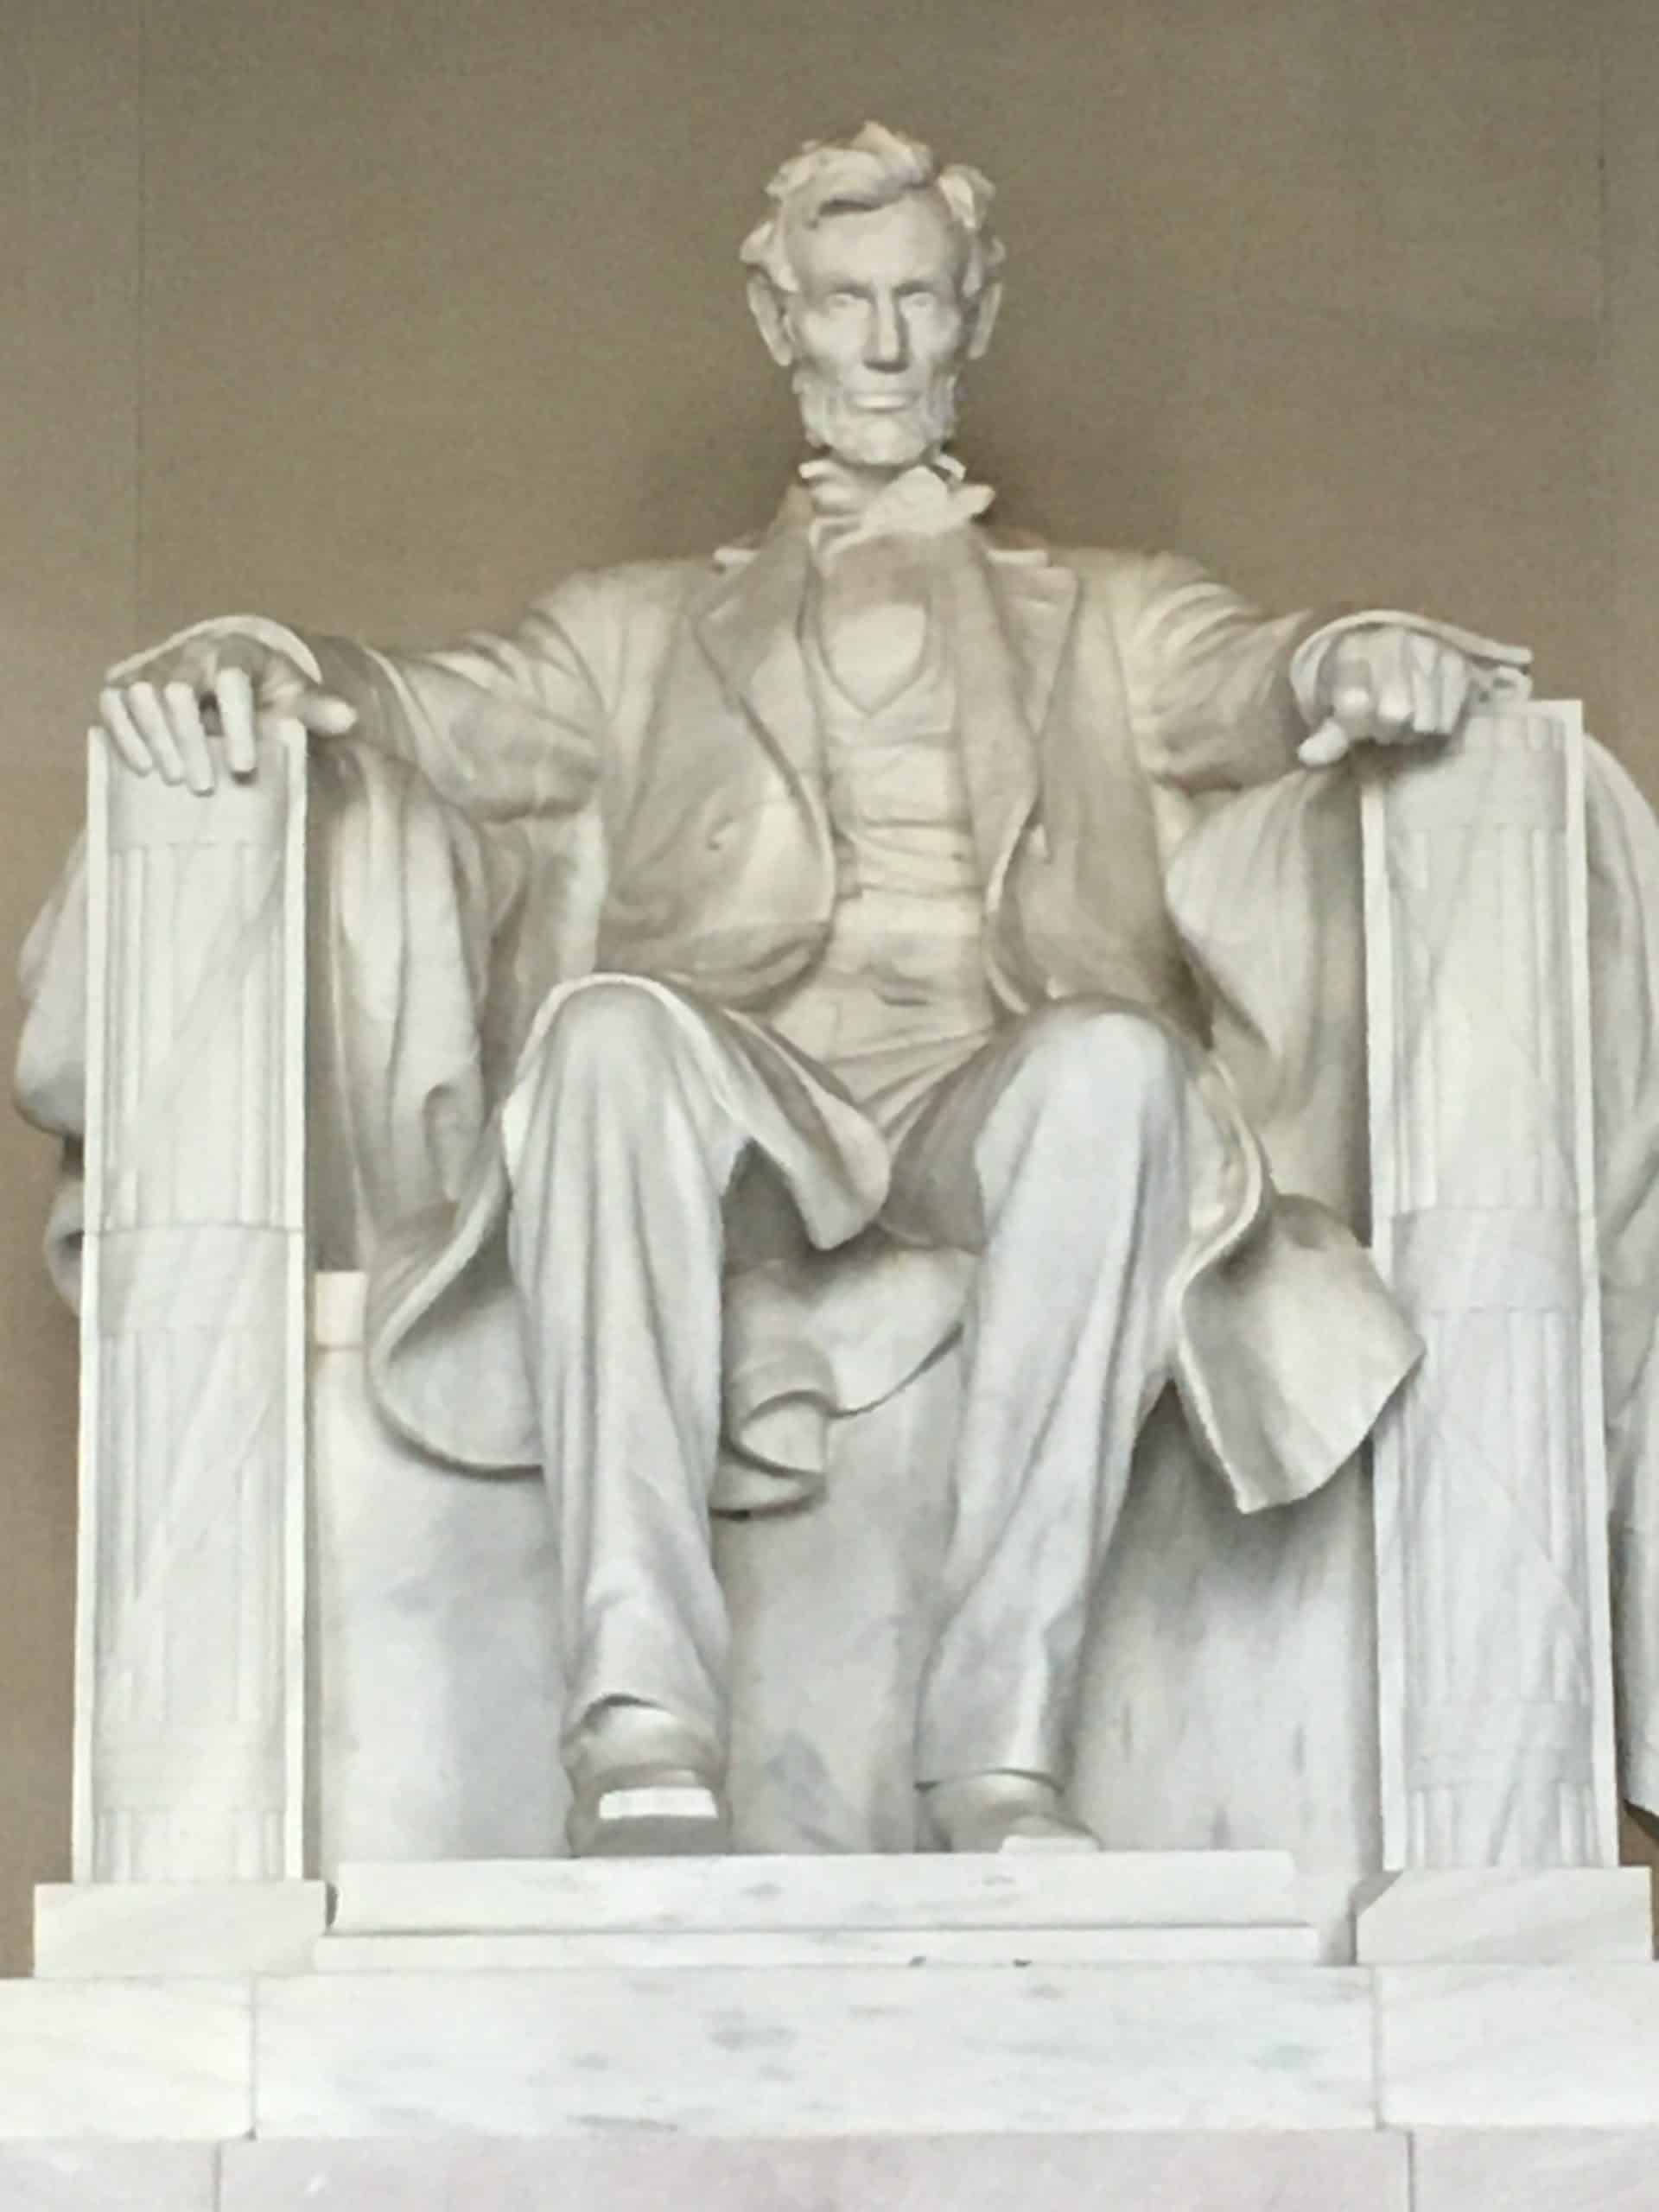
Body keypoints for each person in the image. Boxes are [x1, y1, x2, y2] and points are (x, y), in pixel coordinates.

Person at [86, 123, 1512, 1857]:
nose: (887, 346)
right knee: (603, 1035)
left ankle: (999, 1751)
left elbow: (1254, 680)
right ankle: (639, 1724)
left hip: (992, 1089)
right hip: (743, 1098)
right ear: (782, 321)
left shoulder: (1113, 614)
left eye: (922, 299)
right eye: (846, 302)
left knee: (1121, 1070)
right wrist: (265, 655)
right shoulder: (632, 630)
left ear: (977, 312)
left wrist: (1348, 655)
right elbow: (430, 713)